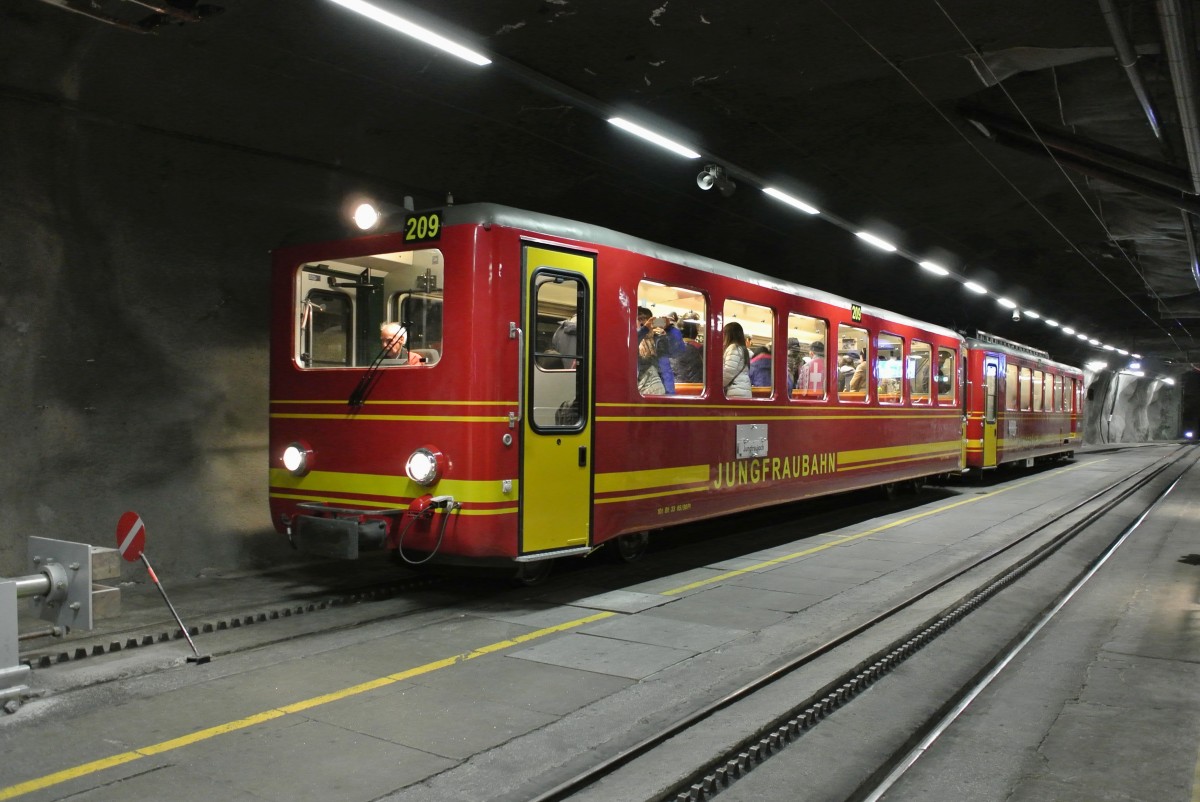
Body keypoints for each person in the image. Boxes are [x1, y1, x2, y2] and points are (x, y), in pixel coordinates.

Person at [636, 307, 666, 395]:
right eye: (639, 319)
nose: (643, 323)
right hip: (641, 385)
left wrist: (669, 329)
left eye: (645, 319)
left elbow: (675, 352)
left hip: (658, 384)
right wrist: (644, 330)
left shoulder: (658, 338)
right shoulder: (633, 340)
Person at [722, 322, 752, 398]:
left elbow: (728, 371)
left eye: (724, 333)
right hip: (743, 389)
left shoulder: (733, 348)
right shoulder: (742, 349)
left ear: (729, 335)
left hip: (735, 391)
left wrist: (718, 384)